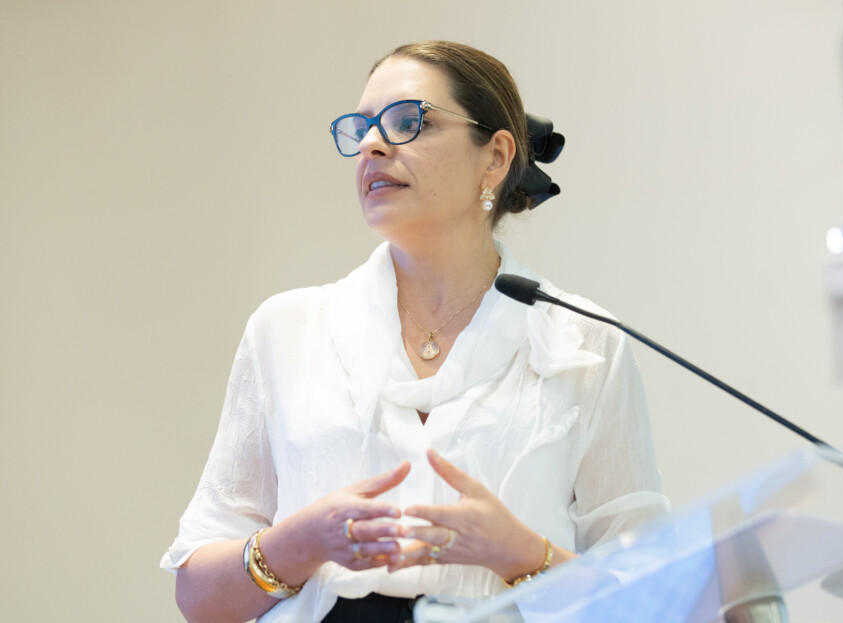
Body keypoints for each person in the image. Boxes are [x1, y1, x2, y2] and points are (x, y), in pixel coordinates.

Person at [161, 40, 668, 623]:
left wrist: (524, 554)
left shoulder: (584, 343)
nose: (372, 145)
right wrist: (301, 541)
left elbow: (655, 598)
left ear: (495, 157)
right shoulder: (286, 331)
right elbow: (198, 598)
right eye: (362, 128)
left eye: (407, 122)